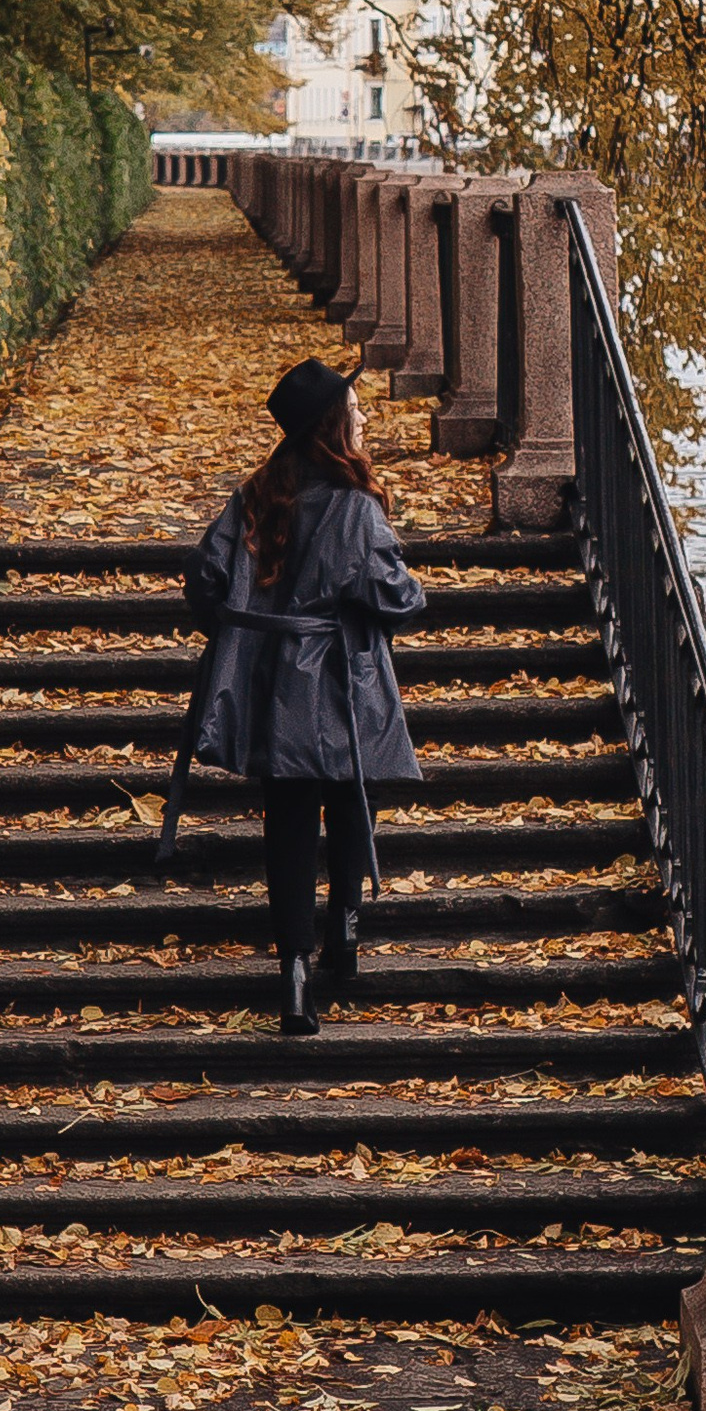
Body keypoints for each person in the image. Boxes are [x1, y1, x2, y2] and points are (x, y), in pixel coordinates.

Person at [178, 357, 425, 1037]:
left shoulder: (255, 497)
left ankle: (294, 977)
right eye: (356, 408)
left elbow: (203, 577)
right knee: (350, 801)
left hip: (276, 691)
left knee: (286, 824)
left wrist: (248, 629)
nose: (365, 418)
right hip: (342, 687)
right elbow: (401, 600)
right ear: (332, 426)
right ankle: (345, 933)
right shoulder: (354, 508)